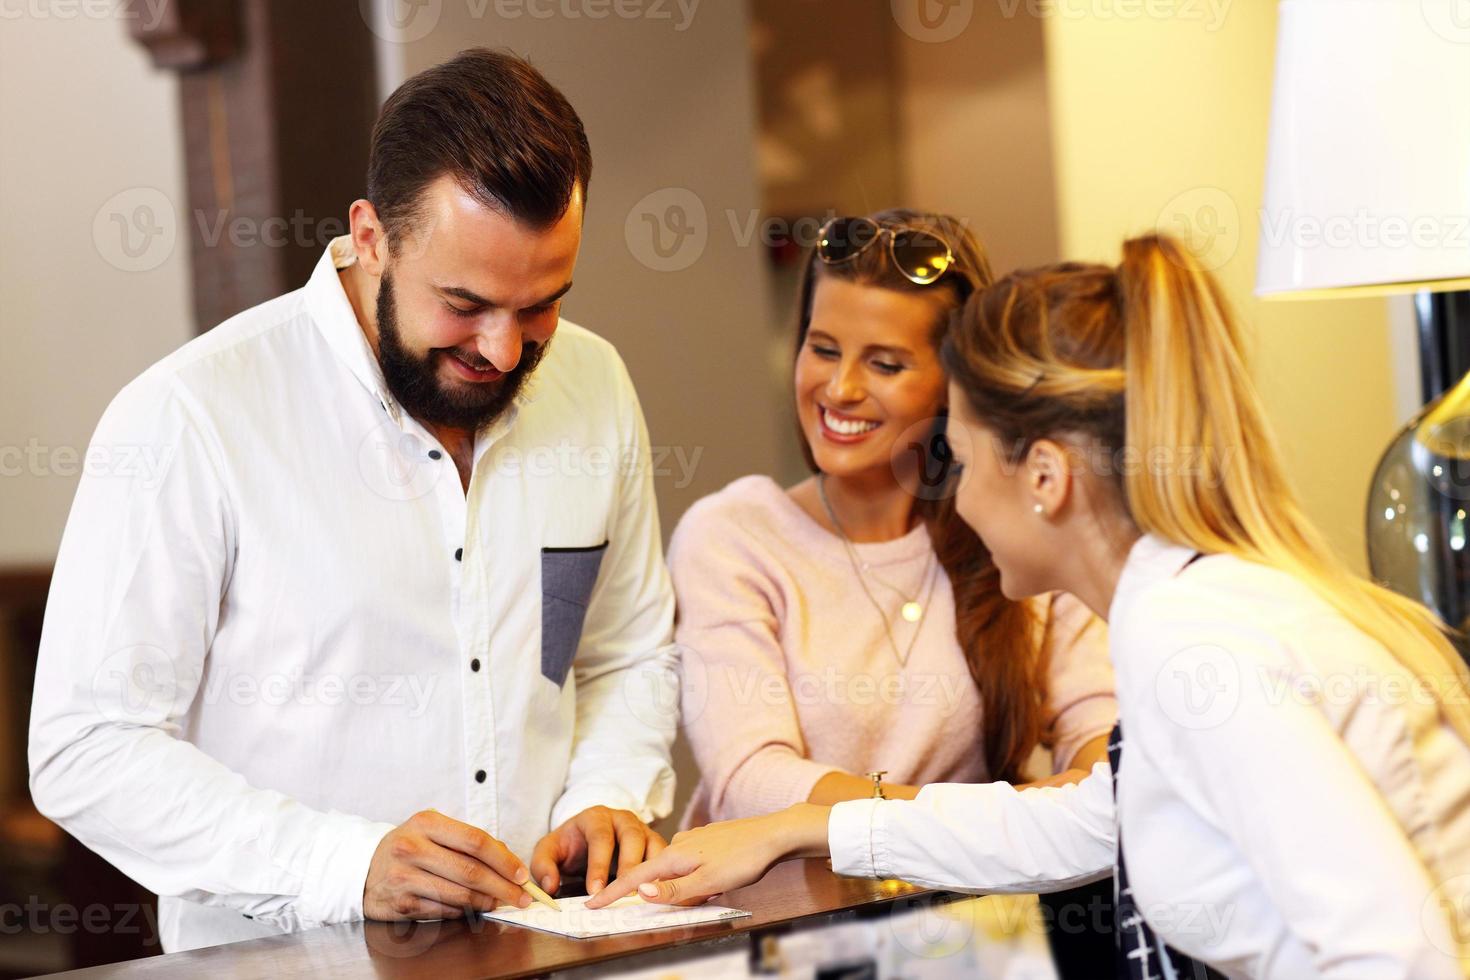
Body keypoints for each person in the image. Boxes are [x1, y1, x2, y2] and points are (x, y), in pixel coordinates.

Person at [591, 234, 1470, 979]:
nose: (956, 500)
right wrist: (801, 827)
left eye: (964, 463)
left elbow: (1392, 953)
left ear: (1045, 477)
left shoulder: (1189, 634)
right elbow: (1072, 823)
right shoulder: (1185, 599)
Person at [29, 49, 676, 953]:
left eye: (542, 306)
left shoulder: (595, 382)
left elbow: (624, 653)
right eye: (464, 303)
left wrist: (608, 793)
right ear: (370, 236)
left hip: (547, 954)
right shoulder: (192, 416)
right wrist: (343, 864)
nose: (503, 350)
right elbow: (86, 748)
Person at [671, 211, 1114, 826]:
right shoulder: (732, 534)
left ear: (952, 383)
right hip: (796, 917)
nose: (841, 388)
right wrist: (993, 819)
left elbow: (1102, 739)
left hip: (980, 916)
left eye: (885, 364)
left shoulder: (1017, 534)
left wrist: (1068, 793)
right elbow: (751, 780)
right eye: (822, 349)